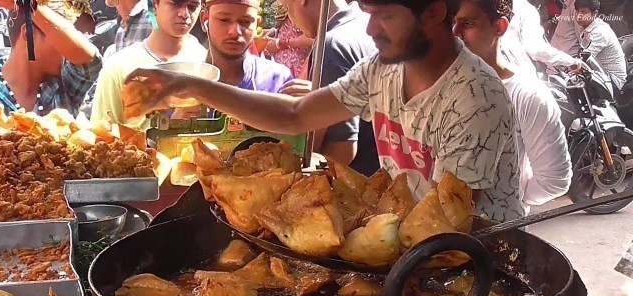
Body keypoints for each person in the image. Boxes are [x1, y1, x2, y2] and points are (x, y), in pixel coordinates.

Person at [125, 0, 526, 222]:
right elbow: (295, 115)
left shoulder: (474, 98)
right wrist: (192, 86)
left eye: (385, 16)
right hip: (408, 239)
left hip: (473, 266)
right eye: (369, 15)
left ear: (435, 12)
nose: (371, 30)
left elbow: (448, 218)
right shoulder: (381, 68)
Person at [453, 0, 572, 212]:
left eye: (467, 24)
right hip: (438, 234)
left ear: (499, 27)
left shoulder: (526, 95)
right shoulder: (440, 86)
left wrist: (508, 197)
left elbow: (554, 180)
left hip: (500, 235)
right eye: (451, 23)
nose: (455, 33)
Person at [279, 0, 379, 174]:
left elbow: (343, 151)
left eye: (288, 8)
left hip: (358, 183)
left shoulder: (331, 46)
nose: (291, 19)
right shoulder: (362, 24)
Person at [91, 0, 207, 129]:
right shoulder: (119, 67)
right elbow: (100, 138)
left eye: (192, 6)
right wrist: (172, 126)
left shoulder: (206, 65)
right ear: (154, 5)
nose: (184, 14)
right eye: (175, 4)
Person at [171, 0, 293, 119]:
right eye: (224, 20)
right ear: (204, 20)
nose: (235, 32)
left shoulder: (278, 82)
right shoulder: (182, 87)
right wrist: (176, 124)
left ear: (257, 25)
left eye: (246, 21)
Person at [0, 0, 101, 117]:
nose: (68, 50)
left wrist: (27, 4)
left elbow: (90, 61)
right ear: (28, 33)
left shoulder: (66, 83)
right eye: (61, 40)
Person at [500, 0, 585, 75]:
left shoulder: (494, 7)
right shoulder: (525, 10)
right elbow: (536, 48)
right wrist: (570, 61)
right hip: (516, 76)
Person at [575, 0, 627, 91]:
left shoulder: (599, 32)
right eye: (577, 12)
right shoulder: (587, 27)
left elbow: (584, 60)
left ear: (594, 13)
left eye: (583, 12)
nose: (579, 16)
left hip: (612, 80)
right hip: (600, 75)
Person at [263, 0, 313, 78]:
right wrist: (276, 31)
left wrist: (280, 44)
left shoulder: (306, 5)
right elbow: (292, 27)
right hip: (279, 64)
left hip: (295, 67)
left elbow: (313, 38)